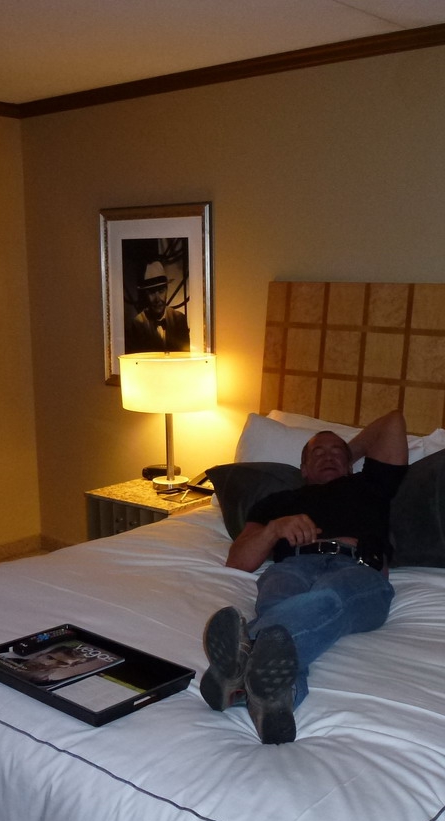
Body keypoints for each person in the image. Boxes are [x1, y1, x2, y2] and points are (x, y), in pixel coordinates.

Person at [200, 410, 409, 744]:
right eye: (318, 453)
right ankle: (277, 699)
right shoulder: (277, 503)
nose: (328, 456)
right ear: (303, 469)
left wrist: (348, 454)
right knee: (282, 612)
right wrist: (274, 529)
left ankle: (242, 657)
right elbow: (238, 561)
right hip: (292, 567)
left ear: (350, 463)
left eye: (336, 452)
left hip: (357, 569)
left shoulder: (369, 486)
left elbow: (392, 422)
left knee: (329, 597)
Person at [124, 261, 191, 353]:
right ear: (145, 294)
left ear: (167, 290)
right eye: (152, 292)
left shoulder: (179, 319)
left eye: (161, 291)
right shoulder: (138, 324)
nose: (157, 299)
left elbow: (185, 356)